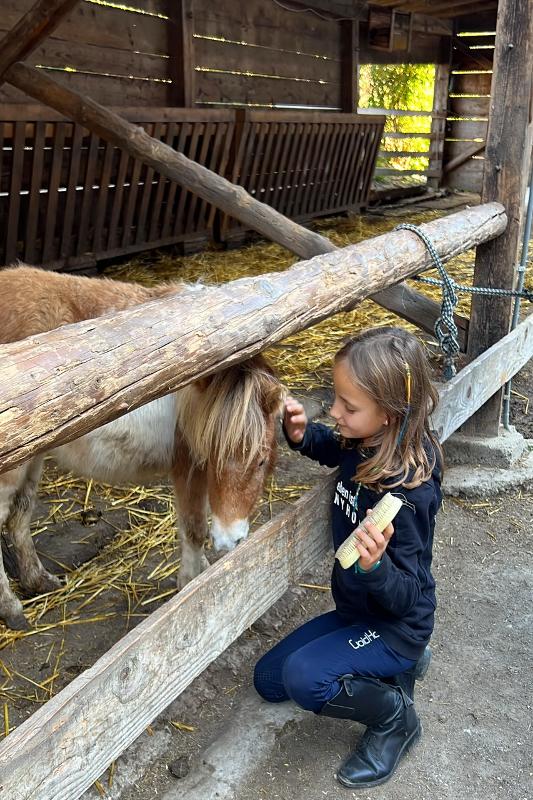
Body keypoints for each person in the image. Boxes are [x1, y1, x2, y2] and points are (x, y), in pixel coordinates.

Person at [253, 326, 443, 789]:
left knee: (303, 680)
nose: (334, 411)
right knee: (270, 680)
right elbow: (331, 446)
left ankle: (395, 720)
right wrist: (300, 435)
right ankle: (399, 671)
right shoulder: (364, 442)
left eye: (348, 406)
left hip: (396, 624)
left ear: (389, 414)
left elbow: (408, 594)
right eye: (336, 399)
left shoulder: (408, 496)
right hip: (357, 614)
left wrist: (375, 567)